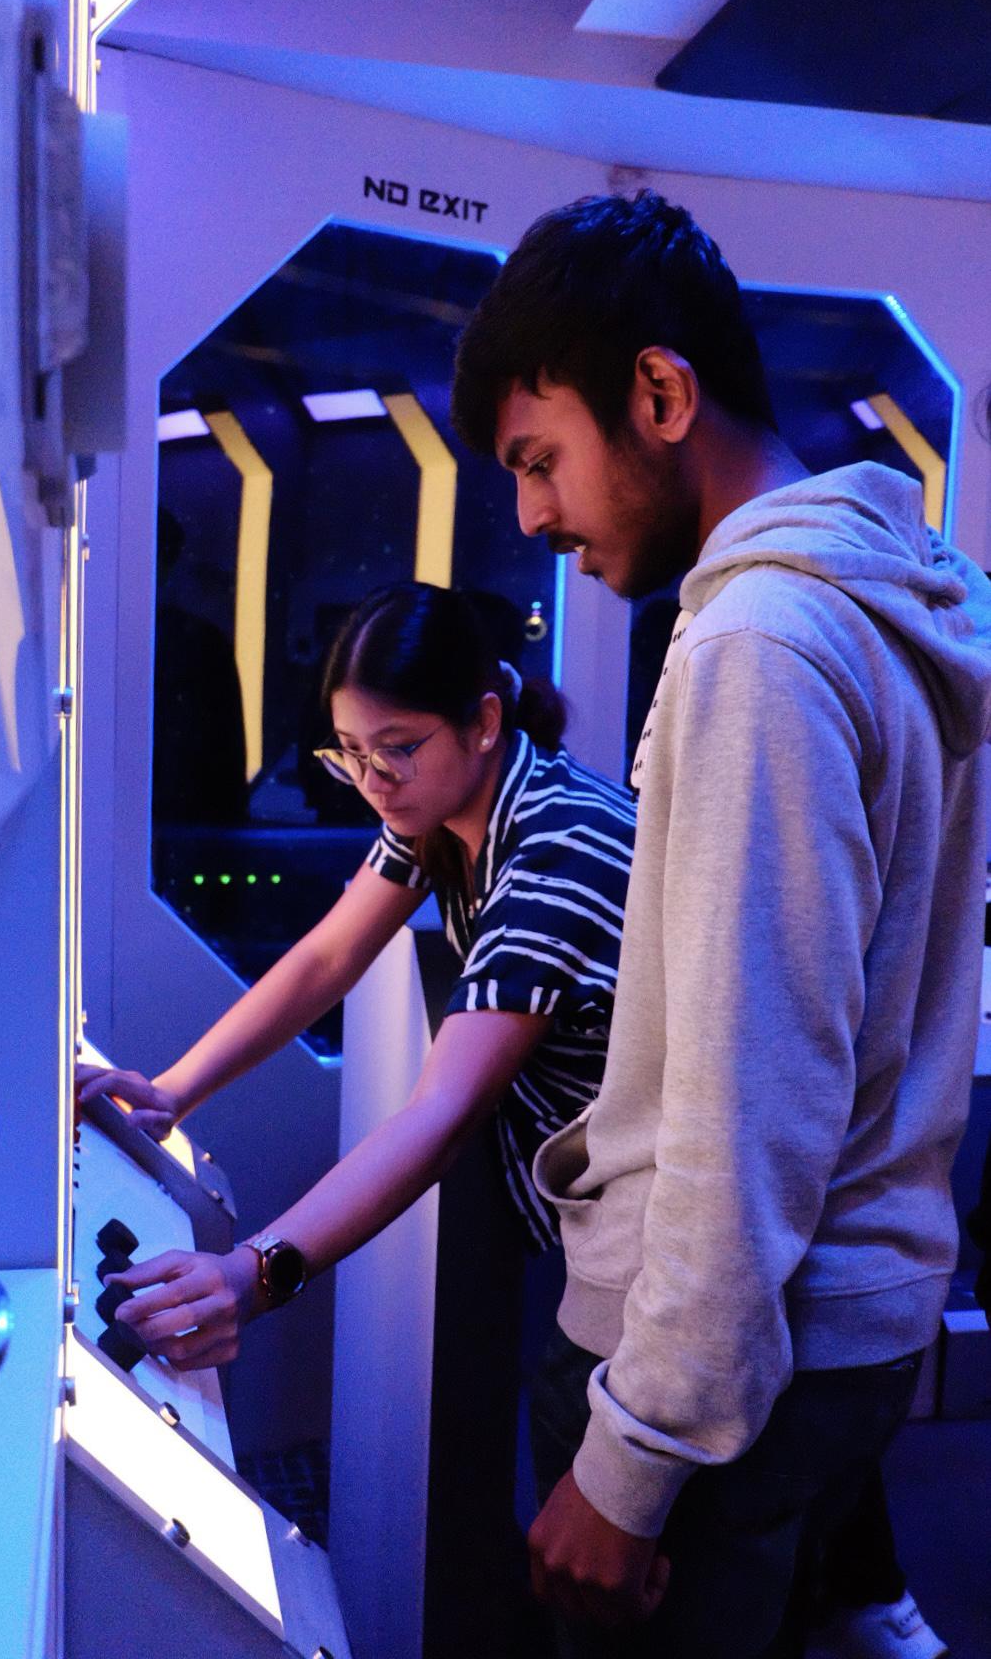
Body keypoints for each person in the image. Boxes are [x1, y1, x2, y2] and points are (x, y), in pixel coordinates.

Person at [450, 189, 991, 1659]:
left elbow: (752, 1097)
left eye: (538, 458)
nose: (533, 519)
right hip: (844, 1333)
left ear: (660, 391)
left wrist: (628, 1464)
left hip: (714, 1375)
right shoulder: (888, 609)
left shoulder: (760, 645)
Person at [78, 581, 638, 1651]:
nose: (373, 780)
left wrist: (256, 1268)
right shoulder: (442, 807)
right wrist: (173, 1090)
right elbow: (329, 954)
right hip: (594, 1228)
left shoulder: (553, 846)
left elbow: (440, 1107)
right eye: (348, 753)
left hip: (649, 1252)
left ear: (484, 720)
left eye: (396, 748)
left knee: (613, 1580)